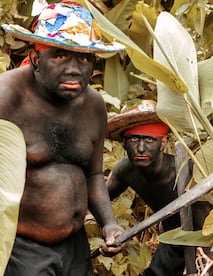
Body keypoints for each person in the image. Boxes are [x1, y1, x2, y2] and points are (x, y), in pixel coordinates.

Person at [1, 2, 127, 275]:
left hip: (75, 248)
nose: (74, 69)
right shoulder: (7, 98)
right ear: (36, 59)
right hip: (23, 251)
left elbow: (93, 174)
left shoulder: (93, 106)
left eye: (83, 58)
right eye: (60, 56)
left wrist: (109, 223)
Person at [106, 100, 210, 276]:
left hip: (208, 239)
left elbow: (208, 228)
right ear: (124, 143)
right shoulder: (125, 169)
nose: (140, 148)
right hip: (171, 237)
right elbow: (99, 199)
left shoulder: (185, 170)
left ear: (163, 143)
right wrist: (108, 230)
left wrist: (206, 267)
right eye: (133, 139)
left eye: (148, 139)